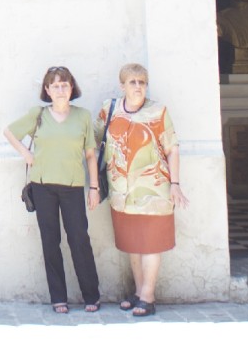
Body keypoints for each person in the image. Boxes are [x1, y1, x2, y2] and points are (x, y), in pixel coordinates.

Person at [4, 65, 102, 314]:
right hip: (43, 186)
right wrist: (25, 152)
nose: (60, 89)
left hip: (73, 186)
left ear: (72, 88)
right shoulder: (38, 114)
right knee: (50, 241)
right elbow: (9, 131)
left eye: (65, 85)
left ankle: (92, 295)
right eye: (55, 85)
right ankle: (58, 297)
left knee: (79, 239)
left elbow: (90, 155)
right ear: (47, 89)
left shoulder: (82, 116)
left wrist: (94, 187)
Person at [97, 62, 187, 317]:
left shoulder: (157, 112)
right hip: (121, 192)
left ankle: (148, 296)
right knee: (133, 244)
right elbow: (93, 143)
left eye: (142, 82)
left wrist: (176, 185)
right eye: (133, 82)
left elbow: (173, 148)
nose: (138, 87)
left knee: (151, 244)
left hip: (154, 189)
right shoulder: (109, 110)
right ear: (122, 85)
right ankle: (138, 292)